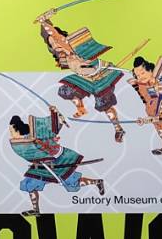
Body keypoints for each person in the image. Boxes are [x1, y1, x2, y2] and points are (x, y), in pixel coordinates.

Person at [36, 12, 125, 144]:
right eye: (52, 44)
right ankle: (81, 108)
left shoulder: (76, 45)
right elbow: (48, 35)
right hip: (84, 78)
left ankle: (118, 128)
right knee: (66, 89)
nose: (55, 44)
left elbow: (53, 33)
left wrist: (44, 21)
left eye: (57, 40)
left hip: (99, 75)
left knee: (105, 105)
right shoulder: (61, 54)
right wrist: (44, 23)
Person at [8, 111, 105, 214]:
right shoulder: (25, 141)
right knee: (30, 183)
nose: (11, 133)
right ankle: (36, 210)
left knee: (70, 181)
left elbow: (49, 134)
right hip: (42, 165)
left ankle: (97, 182)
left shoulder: (32, 136)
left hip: (57, 160)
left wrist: (58, 119)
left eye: (11, 131)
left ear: (17, 130)